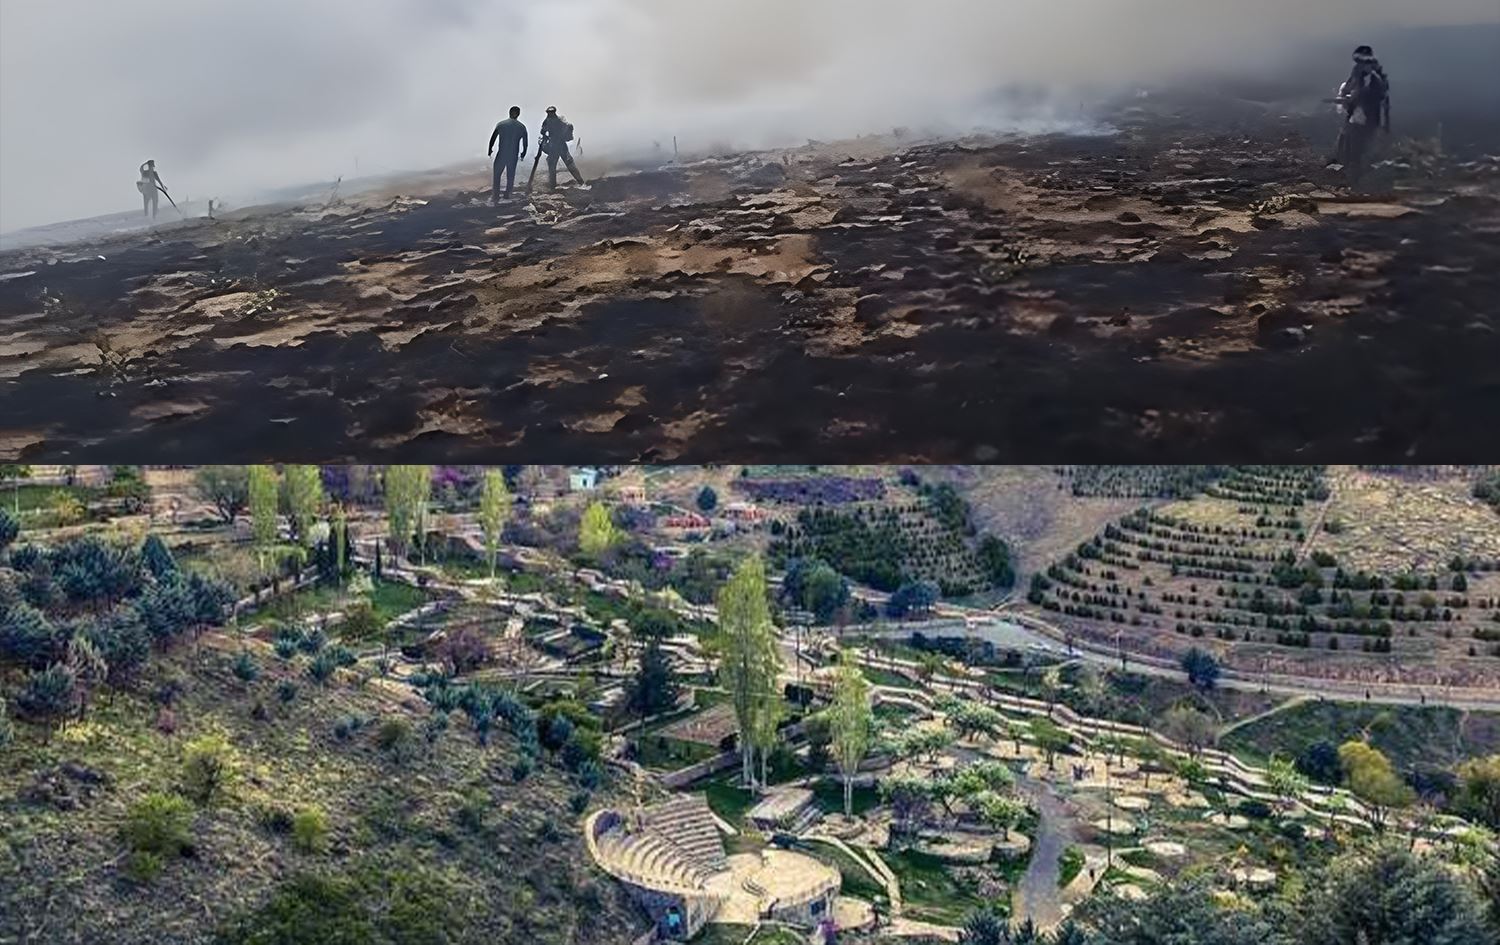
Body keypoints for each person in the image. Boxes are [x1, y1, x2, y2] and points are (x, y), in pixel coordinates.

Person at [1331, 45, 1390, 168]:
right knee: (1344, 147)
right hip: (1353, 120)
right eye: (1360, 62)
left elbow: (1376, 99)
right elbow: (1346, 90)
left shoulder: (1375, 81)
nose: (1362, 65)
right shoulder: (1356, 76)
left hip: (1366, 122)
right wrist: (1346, 98)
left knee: (1359, 153)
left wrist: (1356, 99)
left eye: (1366, 62)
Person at [487, 106, 528, 202]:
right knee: (510, 175)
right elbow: (525, 142)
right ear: (518, 114)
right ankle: (507, 194)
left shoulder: (501, 124)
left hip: (502, 153)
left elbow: (493, 138)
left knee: (497, 174)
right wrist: (523, 153)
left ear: (509, 112)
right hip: (513, 154)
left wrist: (490, 149)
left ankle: (496, 195)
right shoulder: (521, 127)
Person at [539, 106, 585, 191]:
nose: (550, 114)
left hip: (559, 144)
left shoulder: (558, 119)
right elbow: (543, 131)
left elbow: (568, 126)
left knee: (568, 163)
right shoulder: (548, 120)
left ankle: (580, 182)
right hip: (555, 145)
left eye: (551, 113)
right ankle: (553, 186)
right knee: (553, 166)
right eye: (549, 113)